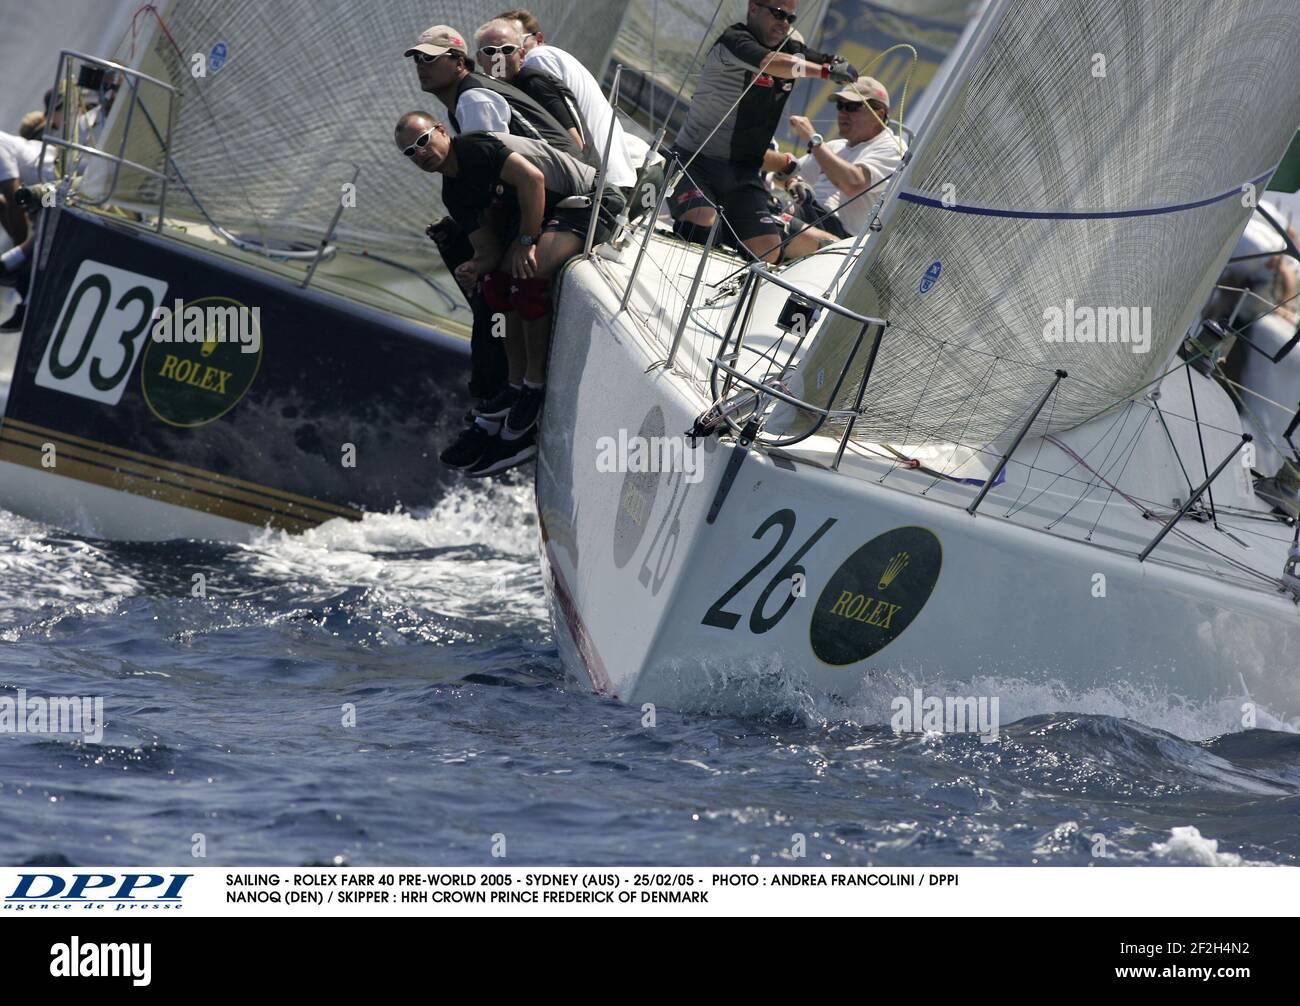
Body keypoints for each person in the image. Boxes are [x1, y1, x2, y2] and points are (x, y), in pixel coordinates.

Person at [396, 112, 624, 477]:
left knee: (527, 277)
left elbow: (533, 179)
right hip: (550, 215)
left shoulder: (473, 149)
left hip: (589, 201)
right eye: (410, 152)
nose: (420, 153)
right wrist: (473, 267)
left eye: (423, 141)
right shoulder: (453, 191)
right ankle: (516, 389)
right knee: (497, 289)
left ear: (440, 130)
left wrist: (524, 241)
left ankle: (533, 388)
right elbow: (485, 250)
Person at [667, 0, 857, 263]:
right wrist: (825, 71)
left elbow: (818, 58)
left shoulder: (790, 48)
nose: (785, 24)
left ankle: (728, 237)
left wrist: (836, 62)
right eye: (779, 14)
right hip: (694, 161)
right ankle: (714, 231)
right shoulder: (735, 40)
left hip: (743, 174)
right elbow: (770, 62)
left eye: (791, 19)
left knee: (767, 250)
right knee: (701, 220)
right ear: (754, 8)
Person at [496, 8, 644, 194]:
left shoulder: (538, 59)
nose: (511, 52)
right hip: (613, 179)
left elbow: (571, 139)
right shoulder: (558, 59)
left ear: (539, 39)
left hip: (600, 185)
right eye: (502, 48)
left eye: (517, 42)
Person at [785, 76, 906, 239]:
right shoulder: (836, 147)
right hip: (811, 218)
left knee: (777, 219)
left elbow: (853, 184)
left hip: (841, 240)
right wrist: (789, 177)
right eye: (840, 106)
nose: (842, 113)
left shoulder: (893, 148)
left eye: (852, 106)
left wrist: (813, 139)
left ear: (879, 114)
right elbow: (787, 173)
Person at [473, 19, 591, 156]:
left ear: (522, 55)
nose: (499, 57)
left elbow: (575, 143)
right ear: (479, 59)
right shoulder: (489, 94)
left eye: (507, 49)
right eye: (490, 51)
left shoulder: (533, 83)